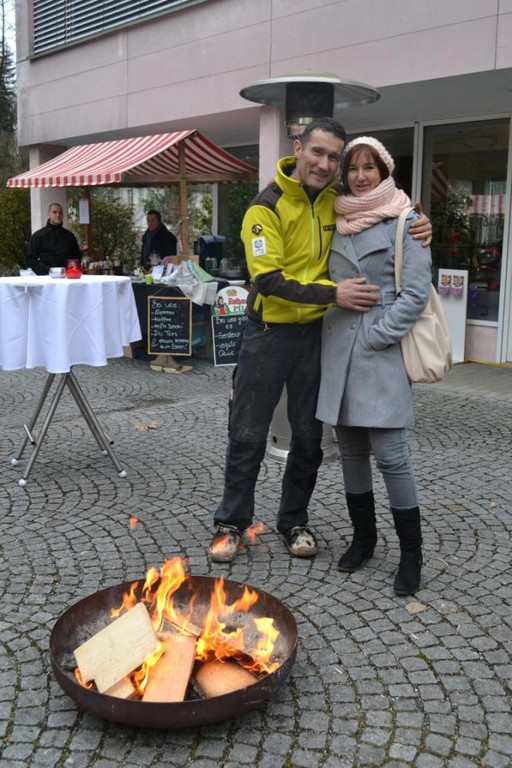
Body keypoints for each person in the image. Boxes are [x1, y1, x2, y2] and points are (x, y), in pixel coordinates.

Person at [207, 118, 431, 564]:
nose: (325, 164)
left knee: (309, 439)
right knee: (248, 432)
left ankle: (294, 521)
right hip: (267, 334)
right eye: (318, 153)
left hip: (316, 336)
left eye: (334, 157)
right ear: (298, 149)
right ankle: (231, 523)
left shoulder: (337, 203)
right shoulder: (264, 207)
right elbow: (266, 279)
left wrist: (423, 224)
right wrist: (335, 294)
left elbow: (387, 213)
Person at [316, 136, 433, 595]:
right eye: (353, 168)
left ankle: (411, 554)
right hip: (337, 350)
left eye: (370, 168)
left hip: (377, 349)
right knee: (348, 452)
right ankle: (364, 537)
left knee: (392, 456)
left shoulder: (407, 220)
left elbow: (415, 295)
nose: (360, 176)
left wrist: (378, 335)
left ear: (385, 173)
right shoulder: (336, 217)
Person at [26, 202, 81, 275]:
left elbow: (77, 258)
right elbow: (30, 259)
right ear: (49, 214)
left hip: (66, 278)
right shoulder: (38, 236)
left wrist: (71, 271)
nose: (58, 215)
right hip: (46, 278)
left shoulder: (70, 236)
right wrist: (43, 273)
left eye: (60, 213)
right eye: (54, 212)